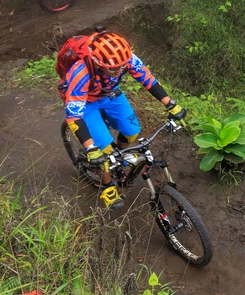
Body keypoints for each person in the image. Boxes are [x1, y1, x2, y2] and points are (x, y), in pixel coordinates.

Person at [61, 31, 185, 209]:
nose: (120, 70)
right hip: (85, 103)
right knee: (104, 152)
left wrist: (171, 105)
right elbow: (74, 115)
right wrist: (90, 148)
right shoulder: (80, 72)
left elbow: (147, 79)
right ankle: (107, 185)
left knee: (132, 130)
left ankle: (118, 154)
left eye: (122, 66)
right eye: (114, 68)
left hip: (109, 94)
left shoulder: (125, 58)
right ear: (97, 62)